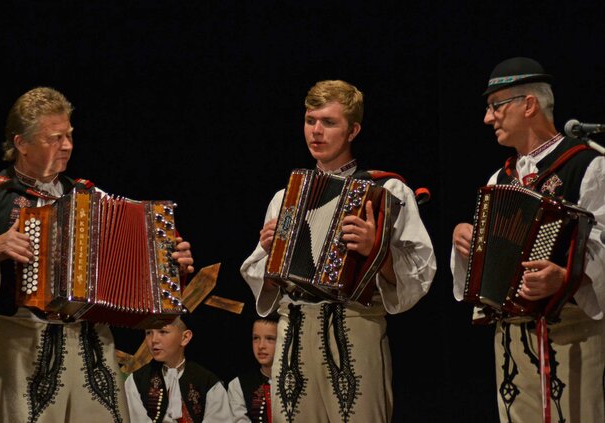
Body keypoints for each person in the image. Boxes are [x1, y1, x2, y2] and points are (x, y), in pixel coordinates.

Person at [0, 86, 195, 423]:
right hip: (20, 344)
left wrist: (172, 262)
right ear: (21, 143)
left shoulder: (90, 197)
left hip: (90, 342)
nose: (67, 146)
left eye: (69, 136)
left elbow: (139, 253)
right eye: (54, 138)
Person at [240, 79, 436, 423]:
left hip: (353, 327)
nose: (316, 131)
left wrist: (378, 252)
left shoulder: (387, 191)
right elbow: (263, 283)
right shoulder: (285, 196)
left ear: (353, 130)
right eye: (310, 120)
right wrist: (272, 255)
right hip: (294, 331)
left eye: (328, 122)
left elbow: (419, 274)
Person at [451, 57, 605, 423]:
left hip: (572, 335)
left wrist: (566, 276)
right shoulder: (498, 179)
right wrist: (465, 244)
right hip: (511, 341)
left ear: (529, 105)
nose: (488, 118)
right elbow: (487, 266)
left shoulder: (587, 165)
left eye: (496, 106)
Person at [124, 316, 231, 422]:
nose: (154, 340)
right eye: (148, 332)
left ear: (185, 338)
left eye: (163, 332)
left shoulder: (208, 382)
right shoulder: (136, 381)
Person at [228, 314, 278, 423]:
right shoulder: (238, 385)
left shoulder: (300, 383)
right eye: (256, 338)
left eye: (270, 339)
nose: (261, 346)